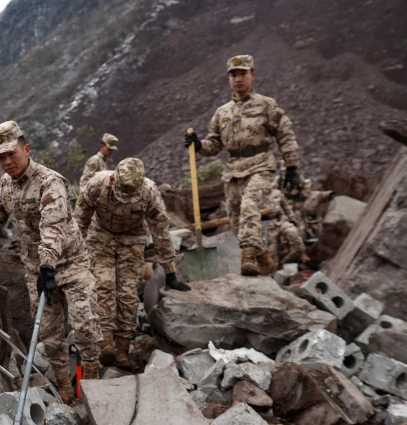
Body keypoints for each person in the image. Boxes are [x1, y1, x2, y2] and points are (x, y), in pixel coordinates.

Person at [0, 120, 102, 403]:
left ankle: (92, 385)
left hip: (70, 264)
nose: (7, 162)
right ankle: (65, 387)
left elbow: (52, 228)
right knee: (49, 332)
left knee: (85, 325)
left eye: (12, 154)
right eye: (1, 157)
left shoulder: (50, 181)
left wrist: (48, 265)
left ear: (27, 149)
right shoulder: (5, 187)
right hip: (36, 268)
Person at [184, 54, 302, 276]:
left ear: (253, 76)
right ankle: (263, 257)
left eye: (243, 74)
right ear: (229, 79)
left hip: (260, 166)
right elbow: (214, 145)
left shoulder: (267, 105)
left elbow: (285, 135)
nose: (238, 79)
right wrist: (199, 144)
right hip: (233, 170)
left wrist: (292, 167)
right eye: (233, 75)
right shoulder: (222, 112)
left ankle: (248, 257)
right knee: (237, 222)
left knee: (250, 207)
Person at [76, 158, 190, 369]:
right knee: (104, 284)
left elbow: (161, 233)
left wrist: (170, 272)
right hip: (100, 237)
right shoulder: (96, 184)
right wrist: (74, 256)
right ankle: (106, 342)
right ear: (114, 179)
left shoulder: (149, 192)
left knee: (128, 294)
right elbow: (80, 222)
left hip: (132, 239)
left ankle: (122, 350)